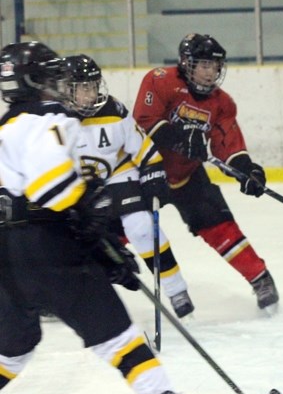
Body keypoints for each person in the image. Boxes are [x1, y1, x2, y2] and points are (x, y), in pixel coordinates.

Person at [0, 41, 219, 394]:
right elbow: (54, 192)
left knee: (13, 347)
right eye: (51, 77)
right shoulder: (47, 121)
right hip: (48, 248)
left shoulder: (5, 127)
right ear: (33, 82)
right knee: (123, 342)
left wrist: (95, 240)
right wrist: (96, 236)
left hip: (7, 254)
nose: (60, 86)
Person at [132, 33, 278, 314]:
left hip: (188, 175)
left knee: (218, 222)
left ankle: (260, 278)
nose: (211, 72)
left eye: (214, 66)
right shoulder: (160, 80)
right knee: (122, 226)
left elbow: (227, 144)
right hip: (146, 173)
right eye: (203, 65)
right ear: (186, 63)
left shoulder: (222, 103)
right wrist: (178, 135)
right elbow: (144, 120)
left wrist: (247, 169)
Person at [61, 53, 195, 318]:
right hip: (78, 189)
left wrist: (154, 174)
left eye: (93, 86)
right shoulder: (53, 120)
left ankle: (176, 289)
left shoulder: (114, 111)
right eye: (83, 88)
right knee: (63, 238)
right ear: (67, 90)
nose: (91, 94)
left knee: (142, 227)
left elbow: (143, 149)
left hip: (117, 176)